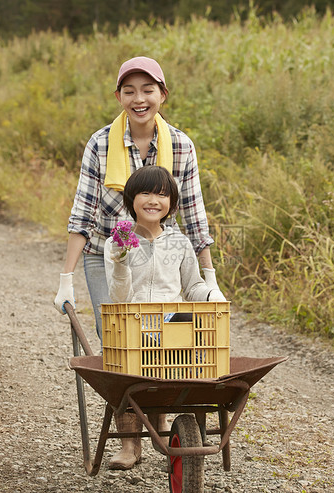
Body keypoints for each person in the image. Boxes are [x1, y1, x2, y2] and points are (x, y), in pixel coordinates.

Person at [53, 56, 224, 470]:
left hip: (163, 249)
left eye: (148, 90)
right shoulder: (100, 144)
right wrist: (66, 278)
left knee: (165, 336)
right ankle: (130, 441)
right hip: (108, 252)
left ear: (162, 95)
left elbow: (195, 215)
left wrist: (209, 277)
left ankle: (162, 428)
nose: (139, 99)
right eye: (129, 91)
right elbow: (83, 213)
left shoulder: (180, 145)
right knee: (120, 339)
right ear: (118, 97)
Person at [105, 165, 226, 304]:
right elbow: (120, 299)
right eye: (145, 193)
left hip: (170, 321)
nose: (153, 201)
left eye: (162, 195)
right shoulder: (115, 243)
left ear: (171, 202)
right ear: (131, 199)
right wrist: (121, 264)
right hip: (132, 321)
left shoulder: (180, 243)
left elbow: (192, 288)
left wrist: (211, 294)